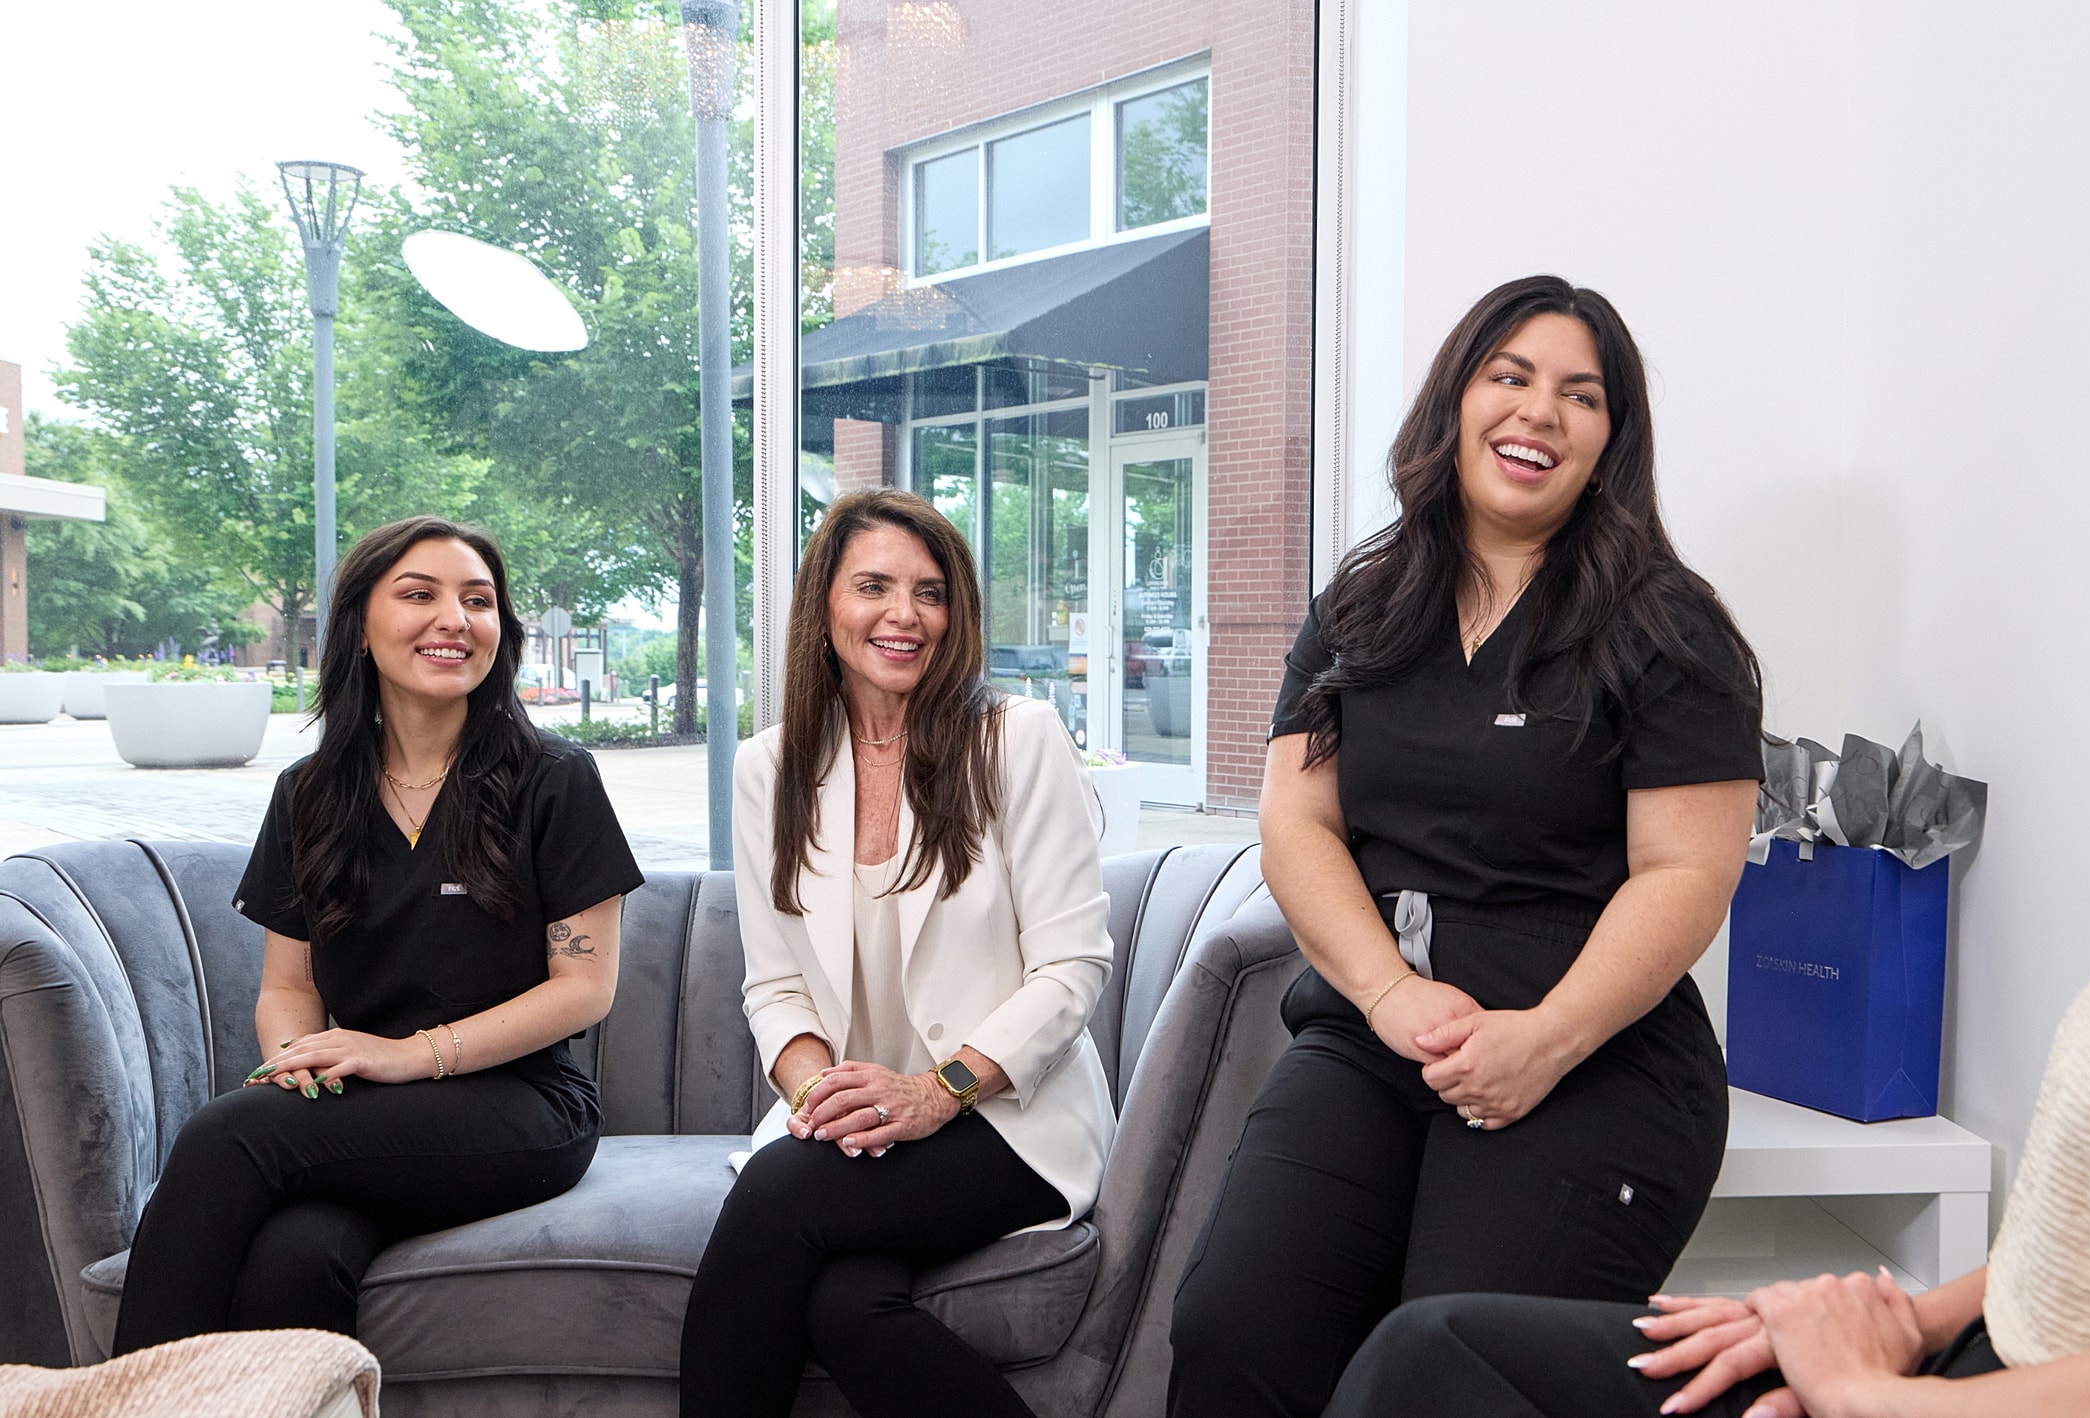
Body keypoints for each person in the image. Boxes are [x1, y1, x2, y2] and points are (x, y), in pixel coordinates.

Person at [1322, 284, 2090, 1418]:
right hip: (1971, 1357)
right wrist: (1905, 1313)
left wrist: (1856, 1384)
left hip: (1994, 1395)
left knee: (1438, 1366)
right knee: (1438, 1352)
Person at [1167, 275, 1766, 1416]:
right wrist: (1389, 994)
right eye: (1510, 376)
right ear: (1455, 401)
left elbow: (1686, 872)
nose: (1538, 411)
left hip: (1589, 1057)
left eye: (1579, 395)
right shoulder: (1364, 604)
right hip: (1375, 1038)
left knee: (1441, 1367)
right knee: (1233, 1325)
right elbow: (1295, 819)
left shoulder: (1665, 624)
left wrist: (1542, 1038)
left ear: (1610, 440)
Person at [113, 516, 643, 1352]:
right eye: (419, 595)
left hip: (523, 1107)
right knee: (295, 1257)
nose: (454, 619)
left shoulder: (554, 779)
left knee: (230, 1132)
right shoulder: (310, 793)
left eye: (478, 600)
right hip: (365, 1113)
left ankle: (120, 1406)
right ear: (361, 625)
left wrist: (408, 1055)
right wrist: (300, 1073)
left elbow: (585, 987)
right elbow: (290, 989)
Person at [677, 490, 1116, 1418]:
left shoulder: (1016, 740)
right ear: (824, 606)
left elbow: (1073, 969)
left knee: (776, 1199)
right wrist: (818, 1097)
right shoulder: (773, 767)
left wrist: (929, 1094)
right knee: (845, 1302)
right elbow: (776, 986)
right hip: (855, 1126)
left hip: (1003, 1115)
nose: (904, 616)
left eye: (929, 591)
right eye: (873, 586)